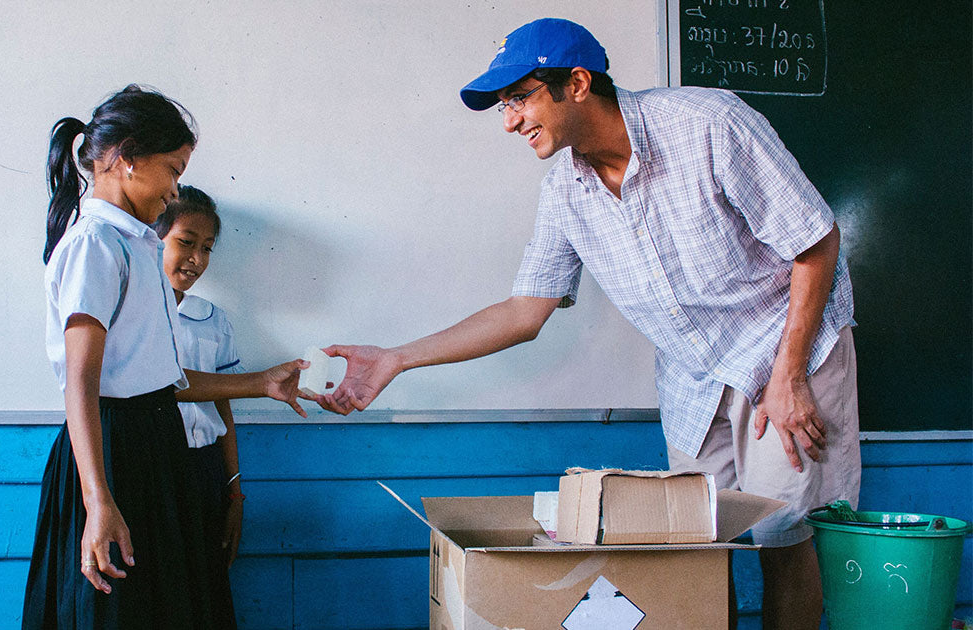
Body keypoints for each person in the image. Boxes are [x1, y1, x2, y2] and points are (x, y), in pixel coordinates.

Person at [318, 18, 858, 630]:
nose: (510, 121)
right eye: (504, 105)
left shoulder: (707, 123)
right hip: (694, 379)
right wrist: (397, 358)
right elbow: (525, 312)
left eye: (519, 98)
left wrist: (789, 375)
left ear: (576, 83)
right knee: (698, 551)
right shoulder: (565, 194)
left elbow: (814, 239)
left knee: (782, 539)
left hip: (785, 347)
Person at [23, 84, 311, 630]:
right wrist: (98, 501)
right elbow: (81, 385)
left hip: (152, 444)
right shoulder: (95, 244)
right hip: (114, 452)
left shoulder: (137, 242)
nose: (176, 188)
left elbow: (162, 380)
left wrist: (261, 382)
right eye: (173, 170)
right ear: (128, 157)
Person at [151, 184, 244, 623]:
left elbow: (222, 406)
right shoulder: (131, 315)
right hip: (150, 470)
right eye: (185, 242)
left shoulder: (212, 320)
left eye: (207, 248)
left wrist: (235, 489)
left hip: (203, 470)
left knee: (203, 590)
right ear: (155, 237)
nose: (196, 259)